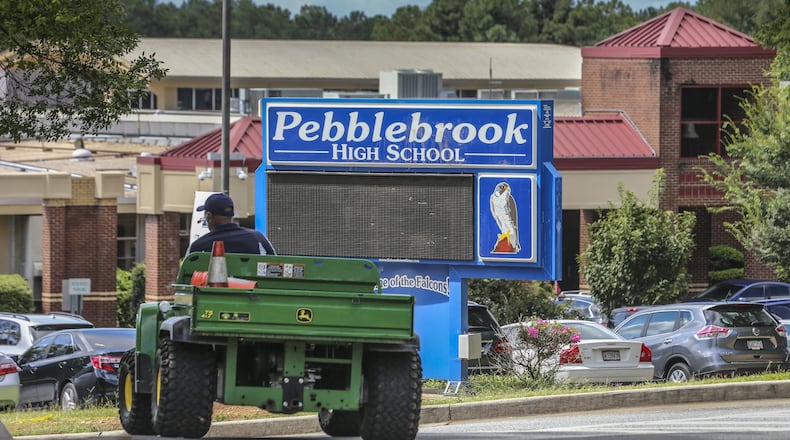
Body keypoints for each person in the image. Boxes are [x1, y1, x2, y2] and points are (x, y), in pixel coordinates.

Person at [185, 193, 276, 255]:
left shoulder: (197, 247)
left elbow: (183, 280)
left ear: (209, 217)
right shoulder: (258, 238)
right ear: (232, 216)